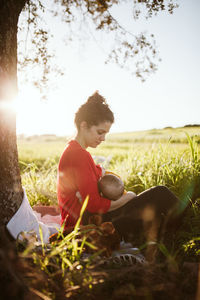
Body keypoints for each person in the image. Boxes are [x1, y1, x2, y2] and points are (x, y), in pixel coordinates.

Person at [57, 91, 179, 256]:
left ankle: (165, 240)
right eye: (100, 132)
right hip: (88, 225)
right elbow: (93, 204)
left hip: (84, 219)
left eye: (105, 133)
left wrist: (99, 170)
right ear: (84, 125)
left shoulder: (73, 150)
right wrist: (127, 198)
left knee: (155, 208)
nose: (103, 138)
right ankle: (181, 235)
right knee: (161, 194)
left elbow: (90, 177)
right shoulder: (79, 154)